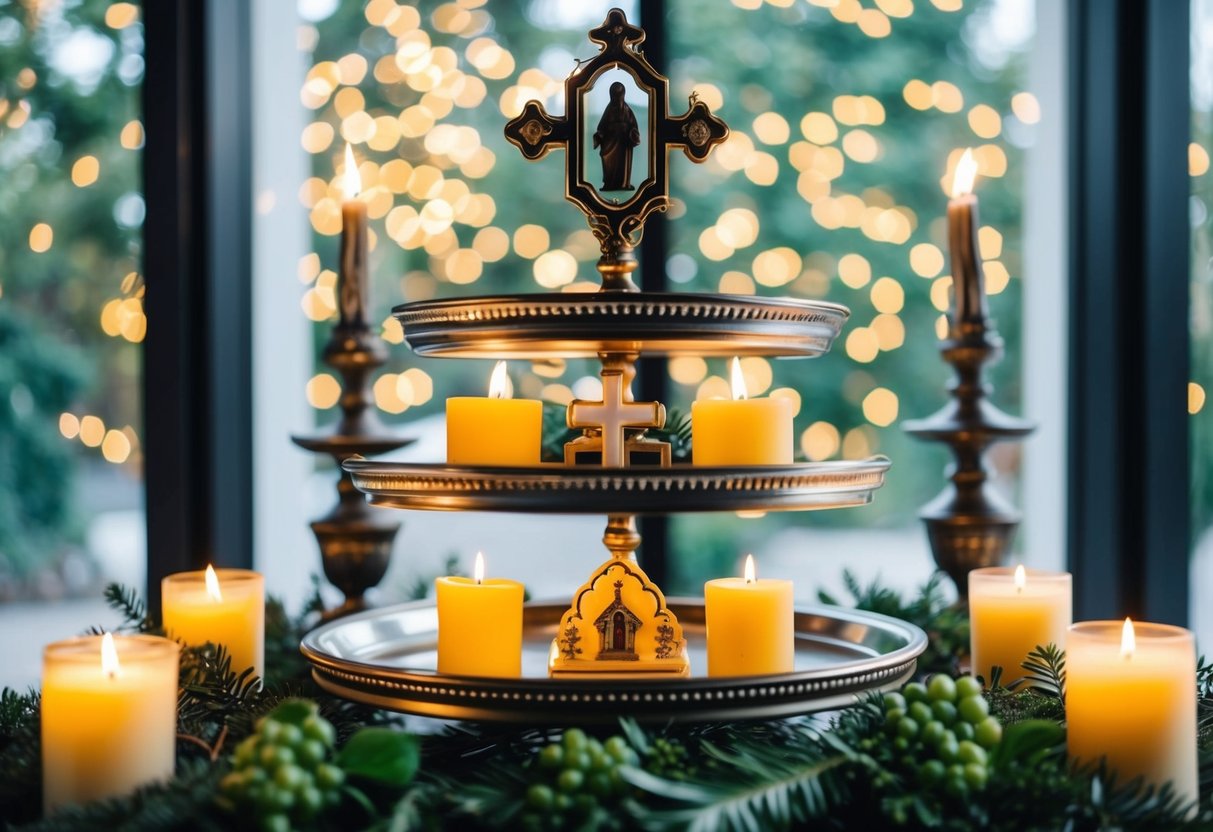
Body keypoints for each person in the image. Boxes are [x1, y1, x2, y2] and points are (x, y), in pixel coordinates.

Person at [593, 81, 640, 191]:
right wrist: (600, 134)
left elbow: (634, 126)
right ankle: (609, 184)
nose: (617, 97)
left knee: (623, 164)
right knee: (608, 161)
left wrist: (631, 132)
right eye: (615, 94)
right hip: (610, 141)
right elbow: (602, 126)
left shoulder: (627, 110)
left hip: (623, 141)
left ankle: (623, 184)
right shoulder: (609, 109)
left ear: (623, 94)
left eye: (619, 94)